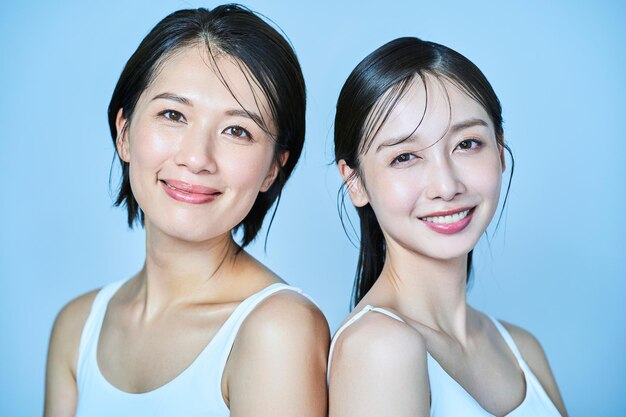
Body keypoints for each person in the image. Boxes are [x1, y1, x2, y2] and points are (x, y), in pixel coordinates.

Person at [44, 5, 329, 417]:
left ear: (273, 168)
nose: (197, 158)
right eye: (173, 115)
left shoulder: (278, 329)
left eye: (237, 130)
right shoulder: (77, 327)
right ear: (124, 133)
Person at [328, 37, 567, 417]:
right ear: (355, 181)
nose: (447, 186)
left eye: (468, 144)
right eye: (405, 156)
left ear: (500, 150)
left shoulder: (523, 351)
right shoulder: (379, 348)